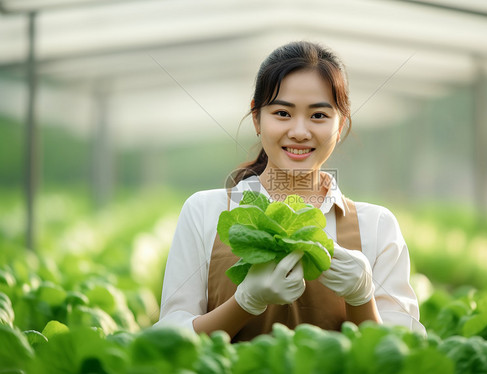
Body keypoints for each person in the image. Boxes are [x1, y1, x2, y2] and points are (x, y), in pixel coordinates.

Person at [155, 41, 425, 341]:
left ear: (341, 124)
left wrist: (362, 299)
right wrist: (244, 304)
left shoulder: (378, 226)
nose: (299, 131)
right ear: (257, 118)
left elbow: (402, 352)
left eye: (318, 116)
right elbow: (169, 337)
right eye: (282, 113)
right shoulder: (203, 211)